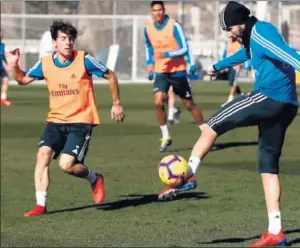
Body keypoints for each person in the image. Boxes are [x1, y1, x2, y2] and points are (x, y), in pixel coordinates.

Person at [157, 2, 300, 246]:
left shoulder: (262, 32)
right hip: (286, 105)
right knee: (268, 166)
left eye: (229, 29)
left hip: (270, 98)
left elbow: (287, 53)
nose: (229, 34)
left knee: (211, 125)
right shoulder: (253, 35)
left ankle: (189, 176)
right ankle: (276, 231)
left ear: (240, 22)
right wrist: (219, 66)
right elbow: (248, 53)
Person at [6, 21, 125, 217]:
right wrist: (14, 65)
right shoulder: (45, 63)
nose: (68, 43)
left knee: (66, 165)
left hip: (81, 121)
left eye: (71, 39)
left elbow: (110, 75)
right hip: (55, 121)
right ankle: (40, 205)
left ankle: (94, 178)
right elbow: (22, 80)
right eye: (63, 39)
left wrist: (116, 103)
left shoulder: (84, 59)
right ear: (54, 43)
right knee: (42, 156)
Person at [144, 1, 204, 152]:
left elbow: (184, 48)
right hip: (161, 71)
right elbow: (148, 46)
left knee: (189, 104)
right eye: (154, 10)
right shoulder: (148, 28)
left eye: (160, 10)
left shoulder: (174, 25)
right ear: (152, 12)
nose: (157, 13)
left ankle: (205, 132)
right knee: (158, 102)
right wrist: (150, 62)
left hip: (178, 71)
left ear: (164, 11)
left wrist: (167, 54)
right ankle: (166, 136)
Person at [221, 33, 244, 106]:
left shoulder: (239, 40)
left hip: (236, 64)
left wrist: (240, 63)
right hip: (230, 63)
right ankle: (242, 95)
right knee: (231, 81)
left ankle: (230, 100)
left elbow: (241, 52)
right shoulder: (229, 40)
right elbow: (227, 52)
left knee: (233, 81)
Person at [1, 28, 12, 106]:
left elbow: (4, 56)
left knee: (6, 81)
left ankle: (3, 99)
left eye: (1, 32)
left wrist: (8, 64)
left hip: (1, 68)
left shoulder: (3, 45)